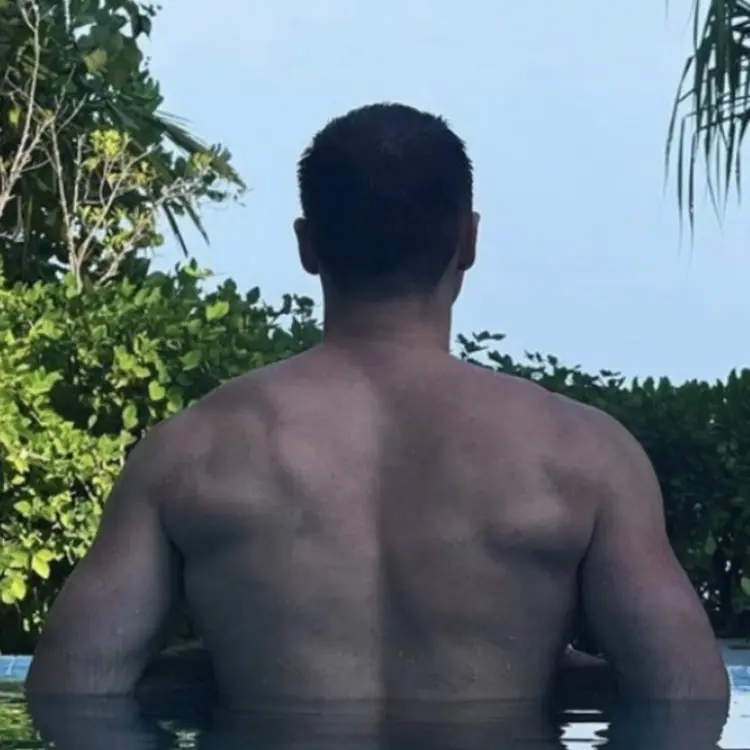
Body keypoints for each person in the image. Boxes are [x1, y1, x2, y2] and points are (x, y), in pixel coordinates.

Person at [25, 103, 729, 708]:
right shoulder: (585, 455)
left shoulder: (187, 453)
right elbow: (686, 700)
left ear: (308, 245)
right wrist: (534, 676)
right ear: (468, 239)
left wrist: (237, 668)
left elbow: (71, 692)